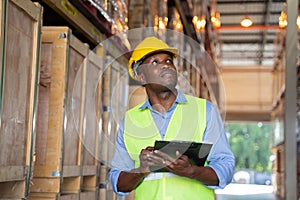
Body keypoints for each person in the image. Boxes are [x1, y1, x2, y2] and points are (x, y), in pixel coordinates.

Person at [108, 36, 235, 200]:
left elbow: (225, 168)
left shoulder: (204, 111)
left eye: (169, 61)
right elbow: (118, 183)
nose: (166, 65)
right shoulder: (130, 121)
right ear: (142, 77)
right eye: (155, 62)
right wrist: (142, 169)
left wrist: (192, 171)